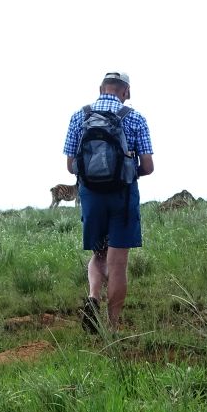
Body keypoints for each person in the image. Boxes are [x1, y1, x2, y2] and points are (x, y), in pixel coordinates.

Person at [62, 71, 154, 332]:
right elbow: (147, 166)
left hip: (91, 196)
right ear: (125, 92)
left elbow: (71, 167)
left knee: (98, 254)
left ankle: (93, 296)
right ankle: (112, 328)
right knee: (118, 263)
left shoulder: (79, 116)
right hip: (123, 197)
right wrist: (126, 169)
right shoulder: (135, 118)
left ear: (101, 88)